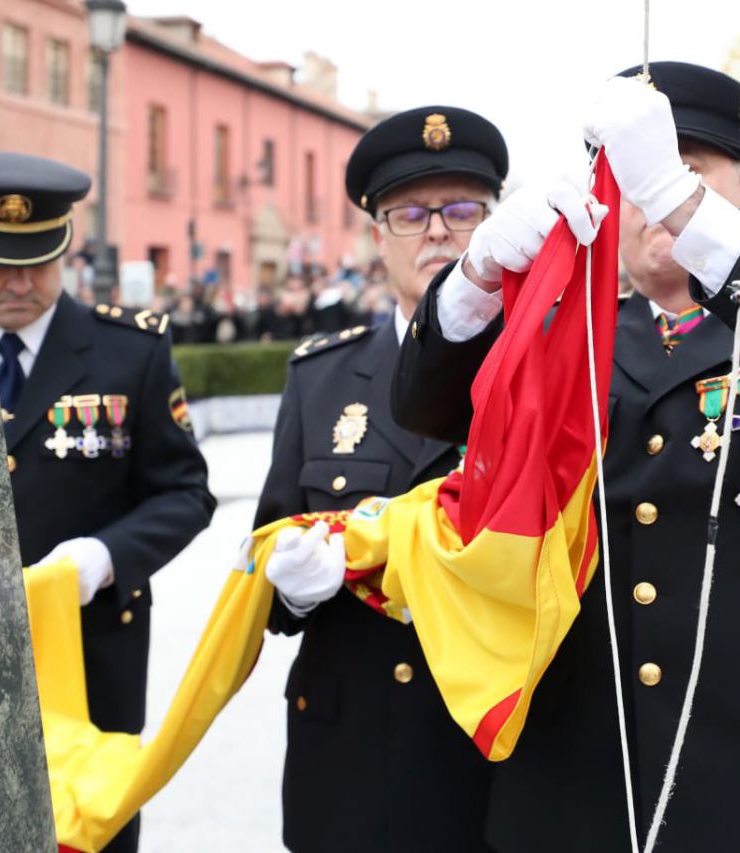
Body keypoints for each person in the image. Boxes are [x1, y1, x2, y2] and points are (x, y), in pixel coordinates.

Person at [389, 64, 740, 852]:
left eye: (683, 170)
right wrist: (477, 278)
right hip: (586, 762)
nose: (645, 198)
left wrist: (683, 204)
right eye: (632, 175)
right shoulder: (568, 332)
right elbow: (427, 409)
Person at [251, 106, 508, 852]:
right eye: (408, 213)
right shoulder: (321, 377)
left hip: (495, 751)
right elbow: (269, 557)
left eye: (462, 210)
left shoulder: (545, 373)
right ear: (375, 237)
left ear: (496, 224)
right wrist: (288, 585)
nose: (436, 231)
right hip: (353, 754)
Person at [0, 152, 216, 853]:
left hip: (90, 655)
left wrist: (104, 556)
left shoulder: (127, 352)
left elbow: (185, 491)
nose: (19, 283)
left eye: (38, 263)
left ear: (66, 249)